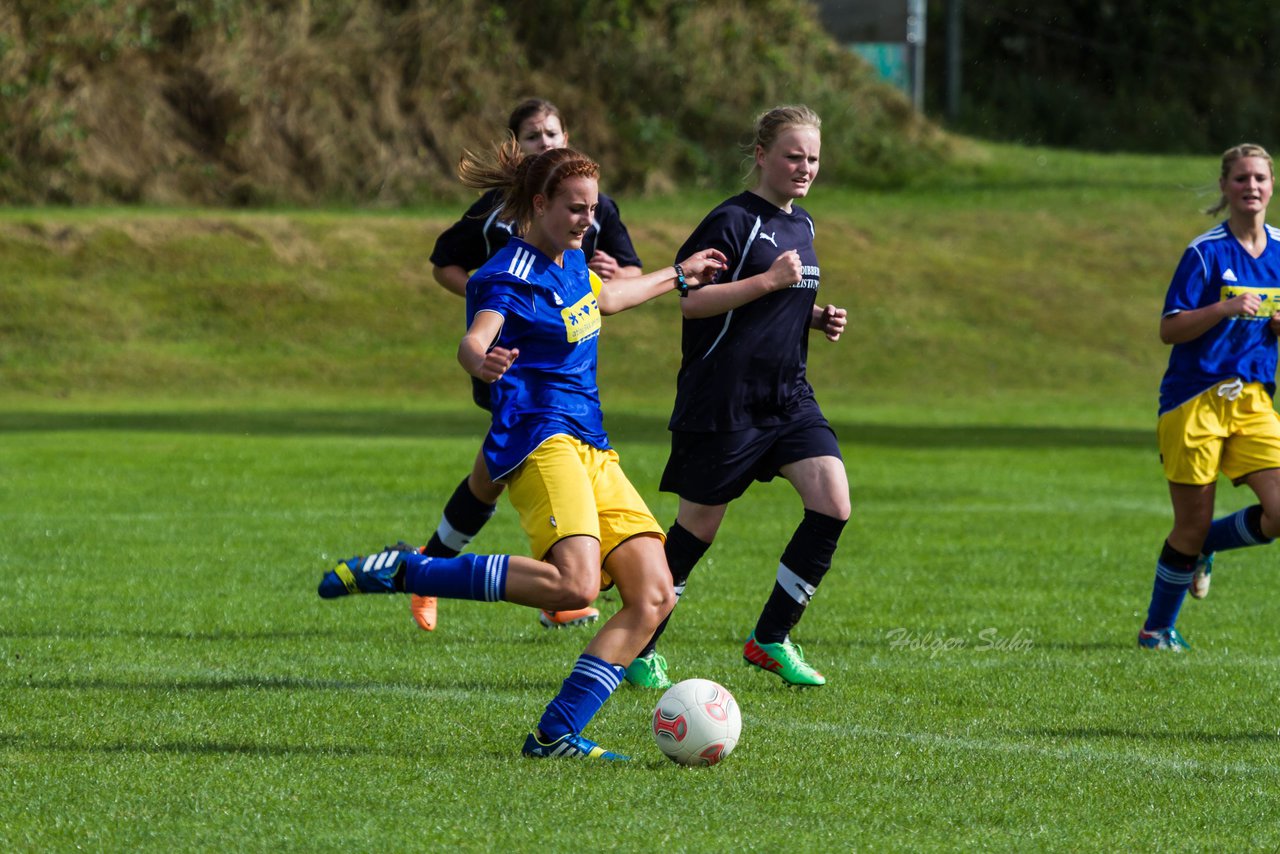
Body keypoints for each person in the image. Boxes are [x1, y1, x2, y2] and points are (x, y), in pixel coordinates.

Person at [317, 141, 726, 759]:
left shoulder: (572, 259)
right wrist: (482, 363)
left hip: (591, 442)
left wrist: (679, 273)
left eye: (592, 208)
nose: (587, 220)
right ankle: (411, 570)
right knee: (576, 586)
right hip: (540, 440)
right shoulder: (505, 275)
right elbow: (474, 339)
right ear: (539, 204)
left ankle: (556, 733)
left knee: (654, 595)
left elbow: (608, 299)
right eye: (575, 208)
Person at [623, 105, 850, 690]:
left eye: (813, 158)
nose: (804, 168)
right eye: (793, 155)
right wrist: (771, 281)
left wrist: (813, 315)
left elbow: (775, 307)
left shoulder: (804, 225)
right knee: (697, 531)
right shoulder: (732, 219)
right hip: (724, 401)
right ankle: (639, 647)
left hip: (788, 397)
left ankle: (771, 637)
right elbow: (693, 300)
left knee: (833, 503)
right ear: (761, 155)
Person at [414, 98, 644, 633]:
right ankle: (549, 586)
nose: (545, 142)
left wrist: (621, 271)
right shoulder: (496, 214)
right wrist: (490, 314)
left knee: (491, 479)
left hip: (566, 367)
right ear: (519, 147)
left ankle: (431, 568)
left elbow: (619, 279)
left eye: (552, 132)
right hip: (515, 371)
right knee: (522, 472)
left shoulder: (594, 206)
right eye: (533, 135)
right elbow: (454, 269)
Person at [1140, 143, 1280, 651]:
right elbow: (1168, 329)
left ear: (1272, 186)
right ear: (1225, 187)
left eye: (1260, 178)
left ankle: (1205, 549)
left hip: (1254, 400)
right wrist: (1223, 310)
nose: (1252, 187)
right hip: (1193, 400)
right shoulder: (1205, 252)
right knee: (1190, 524)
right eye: (1241, 178)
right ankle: (1156, 630)